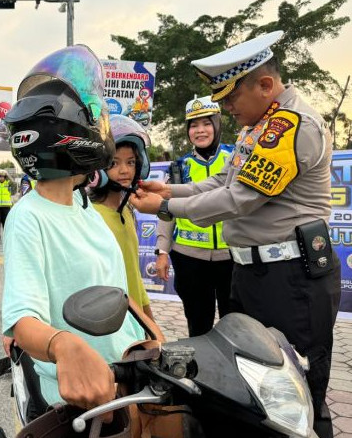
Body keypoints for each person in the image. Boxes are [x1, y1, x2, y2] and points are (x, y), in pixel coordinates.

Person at [130, 31, 341, 438]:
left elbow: (239, 200)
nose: (225, 108)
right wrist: (169, 190)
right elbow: (220, 183)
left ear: (265, 85)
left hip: (290, 278)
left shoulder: (291, 126)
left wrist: (166, 206)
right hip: (253, 276)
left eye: (230, 98)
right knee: (250, 385)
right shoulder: (259, 127)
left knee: (297, 397)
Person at [1, 44, 145, 419]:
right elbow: (22, 319)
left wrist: (149, 331)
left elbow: (116, 291)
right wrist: (64, 346)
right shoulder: (28, 216)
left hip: (126, 377)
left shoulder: (86, 208)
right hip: (76, 395)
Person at [154, 96, 235, 337]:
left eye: (206, 123)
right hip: (189, 258)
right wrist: (162, 251)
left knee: (237, 325)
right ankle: (203, 373)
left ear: (217, 124)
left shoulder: (235, 158)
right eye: (193, 125)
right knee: (198, 325)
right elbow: (166, 209)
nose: (200, 131)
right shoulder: (179, 167)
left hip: (232, 257)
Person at [89, 114, 154, 320]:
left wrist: (149, 319)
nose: (125, 170)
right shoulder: (92, 216)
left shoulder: (127, 211)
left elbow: (134, 273)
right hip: (111, 320)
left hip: (136, 318)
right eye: (114, 163)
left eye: (131, 162)